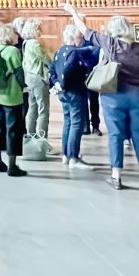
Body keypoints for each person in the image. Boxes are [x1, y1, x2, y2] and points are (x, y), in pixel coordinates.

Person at [63, 3, 139, 191]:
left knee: (115, 135)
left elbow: (84, 31)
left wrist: (72, 12)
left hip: (114, 95)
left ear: (113, 30)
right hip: (137, 95)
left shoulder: (111, 43)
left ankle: (117, 175)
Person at [48, 24, 98, 171]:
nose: (82, 38)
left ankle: (66, 154)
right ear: (72, 37)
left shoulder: (59, 51)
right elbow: (70, 70)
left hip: (64, 93)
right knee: (76, 123)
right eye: (79, 36)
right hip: (75, 91)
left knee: (68, 122)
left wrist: (57, 84)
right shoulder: (74, 53)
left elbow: (52, 70)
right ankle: (74, 158)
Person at [0, 24, 27, 177]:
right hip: (11, 97)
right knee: (13, 131)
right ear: (11, 35)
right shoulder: (13, 51)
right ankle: (12, 165)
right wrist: (26, 87)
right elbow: (19, 73)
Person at [22, 18, 52, 145]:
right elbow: (45, 59)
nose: (40, 30)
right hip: (38, 78)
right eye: (39, 28)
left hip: (29, 77)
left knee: (33, 107)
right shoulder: (34, 43)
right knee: (43, 110)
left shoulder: (25, 43)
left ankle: (30, 135)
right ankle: (42, 140)